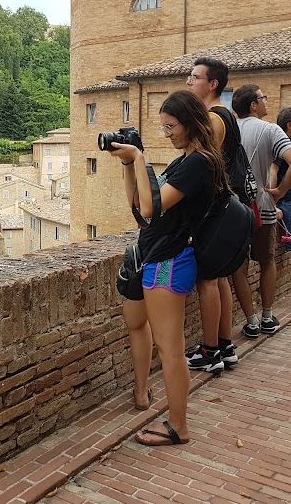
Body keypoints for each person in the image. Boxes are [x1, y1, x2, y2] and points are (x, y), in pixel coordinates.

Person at [111, 90, 230, 446]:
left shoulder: (199, 164)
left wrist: (140, 158)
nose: (168, 134)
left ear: (191, 123)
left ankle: (178, 426)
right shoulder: (183, 161)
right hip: (153, 255)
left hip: (170, 261)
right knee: (135, 321)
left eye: (171, 126)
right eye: (163, 127)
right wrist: (129, 165)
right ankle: (142, 393)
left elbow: (152, 208)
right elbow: (138, 206)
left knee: (170, 349)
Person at [184, 57, 240, 372]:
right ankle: (225, 345)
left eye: (195, 77)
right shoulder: (226, 114)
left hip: (212, 208)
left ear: (212, 83)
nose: (189, 82)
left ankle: (210, 351)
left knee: (207, 279)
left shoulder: (213, 119)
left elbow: (203, 164)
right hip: (225, 206)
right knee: (219, 279)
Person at [232, 86, 291, 338]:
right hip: (263, 206)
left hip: (235, 210)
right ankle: (267, 317)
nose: (266, 101)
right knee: (267, 261)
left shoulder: (227, 128)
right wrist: (280, 191)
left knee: (239, 267)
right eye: (263, 97)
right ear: (253, 105)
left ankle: (251, 321)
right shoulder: (270, 130)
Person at [271, 107, 291, 252]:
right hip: (285, 201)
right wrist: (272, 205)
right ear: (289, 125)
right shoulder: (281, 144)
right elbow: (272, 171)